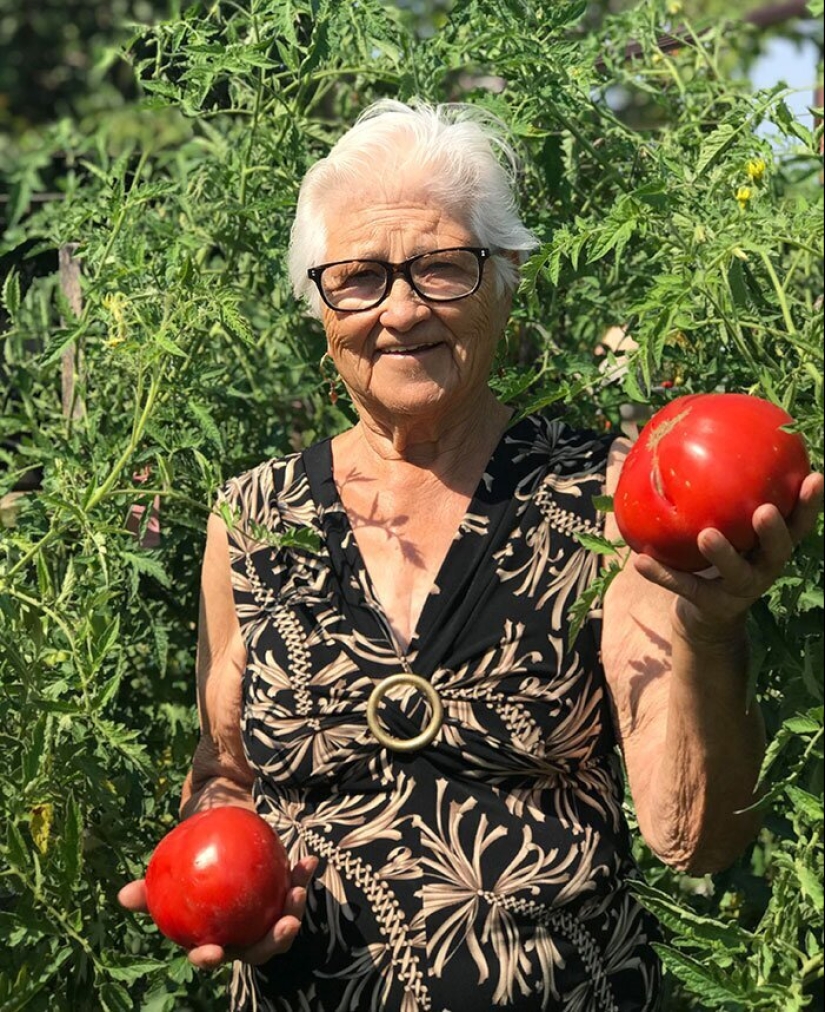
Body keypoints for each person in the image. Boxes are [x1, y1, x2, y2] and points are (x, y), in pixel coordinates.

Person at [118, 99, 823, 1011]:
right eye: (359, 278)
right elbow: (226, 768)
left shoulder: (608, 503)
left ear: (503, 280)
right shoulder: (252, 520)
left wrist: (711, 629)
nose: (401, 309)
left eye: (444, 268)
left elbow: (695, 837)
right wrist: (210, 876)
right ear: (318, 305)